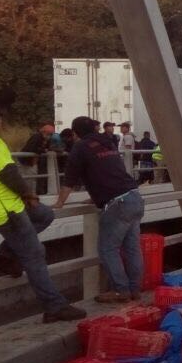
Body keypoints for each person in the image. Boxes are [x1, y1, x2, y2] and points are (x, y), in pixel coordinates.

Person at [0, 103, 86, 322]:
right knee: (34, 255)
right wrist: (28, 193)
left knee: (44, 215)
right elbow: (7, 172)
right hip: (5, 207)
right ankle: (54, 306)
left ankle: (3, 255)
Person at [54, 116, 146, 303]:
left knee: (107, 249)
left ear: (75, 133)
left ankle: (121, 290)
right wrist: (96, 196)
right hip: (134, 196)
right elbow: (108, 172)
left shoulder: (80, 147)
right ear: (95, 129)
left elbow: (69, 179)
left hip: (117, 203)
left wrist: (59, 204)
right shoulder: (108, 143)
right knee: (132, 249)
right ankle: (135, 289)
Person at [21, 122, 56, 195]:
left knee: (32, 180)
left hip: (33, 162)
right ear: (44, 132)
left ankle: (32, 196)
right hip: (28, 163)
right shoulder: (37, 137)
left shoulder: (45, 139)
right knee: (30, 181)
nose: (50, 136)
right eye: (50, 134)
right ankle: (30, 197)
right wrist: (44, 150)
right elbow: (32, 148)